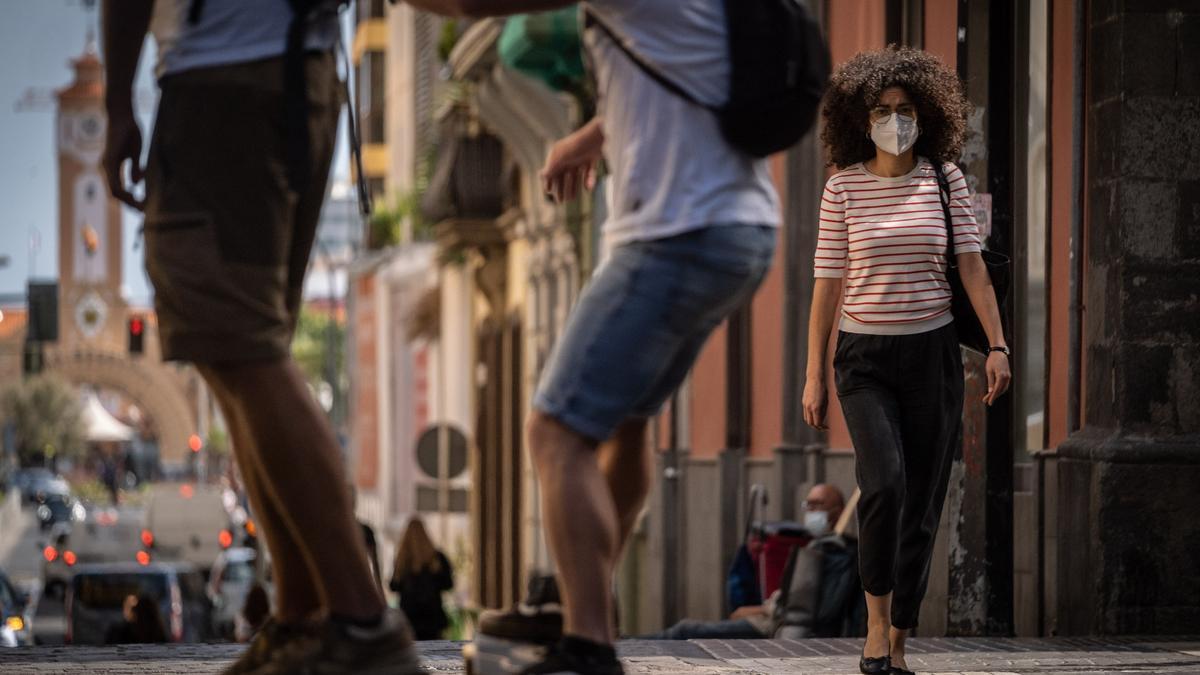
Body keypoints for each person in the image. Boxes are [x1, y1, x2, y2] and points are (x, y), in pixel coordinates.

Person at [405, 0, 779, 671]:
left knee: (554, 430)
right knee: (627, 421)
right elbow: (684, 74)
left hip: (674, 233)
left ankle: (589, 642)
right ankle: (589, 612)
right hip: (739, 229)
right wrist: (593, 135)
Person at [100, 2, 421, 673]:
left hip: (224, 89)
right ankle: (303, 619)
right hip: (303, 82)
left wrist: (115, 108)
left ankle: (361, 622)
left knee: (240, 349)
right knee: (240, 359)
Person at [801, 47, 1011, 675]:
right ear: (860, 120)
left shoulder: (945, 180)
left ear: (926, 116)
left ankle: (898, 638)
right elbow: (826, 284)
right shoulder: (842, 187)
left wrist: (998, 347)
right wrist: (814, 372)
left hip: (933, 356)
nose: (895, 119)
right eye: (883, 110)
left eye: (906, 109)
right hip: (863, 359)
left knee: (922, 501)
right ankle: (871, 626)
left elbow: (973, 269)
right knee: (885, 483)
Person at [646, 484, 860, 640]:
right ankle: (629, 642)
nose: (812, 512)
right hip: (772, 616)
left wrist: (762, 609)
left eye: (819, 505)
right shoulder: (814, 545)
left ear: (838, 511)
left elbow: (808, 610)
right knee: (686, 629)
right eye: (809, 505)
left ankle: (628, 644)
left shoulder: (836, 553)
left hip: (772, 624)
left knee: (687, 630)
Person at [388, 517, 454, 640]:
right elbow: (448, 584)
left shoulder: (402, 561)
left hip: (409, 618)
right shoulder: (437, 558)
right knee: (434, 655)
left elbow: (393, 586)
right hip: (433, 618)